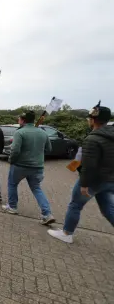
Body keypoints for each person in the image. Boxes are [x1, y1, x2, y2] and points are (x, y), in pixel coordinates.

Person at [48, 102, 114, 243]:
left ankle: (67, 234)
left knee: (75, 205)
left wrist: (84, 184)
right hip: (109, 180)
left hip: (94, 180)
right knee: (108, 208)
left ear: (93, 120)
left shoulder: (93, 138)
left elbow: (89, 165)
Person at [2, 111, 55, 225]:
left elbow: (15, 150)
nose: (18, 121)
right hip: (37, 167)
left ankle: (12, 207)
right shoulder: (42, 133)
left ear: (23, 120)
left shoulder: (20, 133)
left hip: (20, 165)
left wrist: (11, 160)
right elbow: (49, 149)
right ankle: (47, 214)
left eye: (19, 119)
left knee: (12, 184)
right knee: (36, 188)